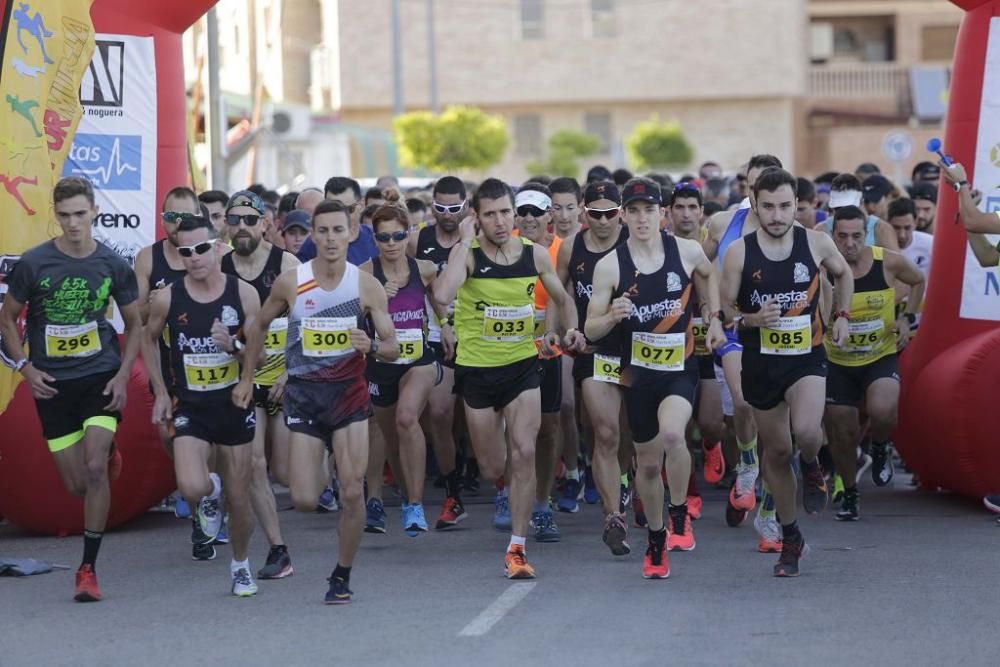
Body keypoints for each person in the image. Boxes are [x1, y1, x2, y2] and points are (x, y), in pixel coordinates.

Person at [233, 199, 399, 604]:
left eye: (337, 231)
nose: (330, 239)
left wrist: (373, 346)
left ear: (351, 233)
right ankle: (324, 458)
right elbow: (257, 325)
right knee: (304, 497)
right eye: (321, 231)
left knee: (351, 493)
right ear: (313, 235)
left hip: (348, 397)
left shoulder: (365, 285)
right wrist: (248, 376)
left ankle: (341, 575)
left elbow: (394, 345)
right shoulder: (293, 281)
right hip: (305, 397)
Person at [0, 176, 141, 602]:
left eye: (80, 214)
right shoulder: (34, 263)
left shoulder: (114, 264)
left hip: (99, 374)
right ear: (55, 216)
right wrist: (25, 368)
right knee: (77, 485)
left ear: (95, 211)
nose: (73, 223)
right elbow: (7, 318)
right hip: (53, 383)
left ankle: (87, 569)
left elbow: (135, 322)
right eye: (64, 216)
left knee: (95, 469)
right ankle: (108, 455)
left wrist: (121, 375)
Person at [434, 178, 583, 579]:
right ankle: (506, 481)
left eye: (505, 212)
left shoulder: (535, 255)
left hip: (522, 366)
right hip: (478, 373)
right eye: (490, 214)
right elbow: (443, 295)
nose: (500, 221)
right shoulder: (468, 254)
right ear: (476, 218)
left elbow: (563, 297)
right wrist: (463, 243)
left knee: (524, 451)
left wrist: (570, 330)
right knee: (492, 465)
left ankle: (517, 547)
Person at [587, 176, 726, 579]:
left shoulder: (685, 251)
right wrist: (612, 315)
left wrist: (713, 317)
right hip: (636, 373)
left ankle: (679, 511)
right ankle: (655, 535)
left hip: (678, 368)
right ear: (624, 216)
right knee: (647, 464)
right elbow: (591, 328)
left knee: (672, 435)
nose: (643, 218)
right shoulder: (611, 265)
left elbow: (707, 274)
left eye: (650, 210)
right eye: (635, 211)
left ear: (661, 214)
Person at [721, 166, 854, 577]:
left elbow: (844, 273)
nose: (777, 216)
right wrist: (750, 320)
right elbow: (726, 313)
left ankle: (813, 463)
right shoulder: (739, 252)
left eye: (784, 206)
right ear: (755, 207)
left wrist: (843, 315)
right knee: (776, 452)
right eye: (768, 208)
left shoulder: (815, 242)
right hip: (761, 363)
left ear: (798, 204)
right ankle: (790, 537)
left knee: (808, 430)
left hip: (806, 357)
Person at [143, 214, 262, 596]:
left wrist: (236, 354)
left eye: (200, 249)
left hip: (233, 403)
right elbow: (146, 339)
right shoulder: (166, 297)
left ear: (216, 247)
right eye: (184, 251)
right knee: (191, 486)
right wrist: (161, 391)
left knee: (241, 497)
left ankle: (241, 565)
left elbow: (257, 353)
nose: (193, 258)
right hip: (190, 405)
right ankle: (210, 494)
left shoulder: (243, 293)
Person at [823, 205, 924, 520]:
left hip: (879, 355)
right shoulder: (821, 268)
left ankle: (880, 447)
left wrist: (907, 318)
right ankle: (851, 492)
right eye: (842, 236)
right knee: (843, 432)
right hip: (836, 361)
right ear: (832, 236)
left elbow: (918, 280)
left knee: (883, 411)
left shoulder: (886, 261)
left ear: (865, 233)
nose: (849, 244)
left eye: (856, 236)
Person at [220, 190, 299, 579]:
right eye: (235, 220)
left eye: (250, 220)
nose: (243, 227)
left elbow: (309, 323)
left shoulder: (286, 263)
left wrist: (292, 371)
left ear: (266, 223)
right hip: (243, 382)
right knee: (255, 466)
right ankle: (278, 549)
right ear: (225, 225)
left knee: (286, 475)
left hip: (285, 379)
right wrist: (237, 350)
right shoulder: (218, 269)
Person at [361, 193, 445, 536]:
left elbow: (438, 302)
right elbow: (352, 318)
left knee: (407, 417)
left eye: (398, 236)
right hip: (381, 360)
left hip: (419, 359)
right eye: (383, 237)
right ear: (374, 237)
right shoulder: (366, 273)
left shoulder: (423, 268)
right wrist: (378, 300)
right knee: (390, 435)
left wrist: (448, 329)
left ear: (409, 234)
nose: (391, 243)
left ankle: (414, 504)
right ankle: (388, 494)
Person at [556, 179, 631, 554]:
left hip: (637, 351)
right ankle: (612, 514)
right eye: (595, 213)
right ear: (584, 211)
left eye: (611, 213)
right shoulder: (571, 247)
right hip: (594, 349)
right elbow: (563, 295)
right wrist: (568, 329)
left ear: (621, 212)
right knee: (605, 432)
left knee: (631, 435)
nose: (603, 221)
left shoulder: (636, 242)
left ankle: (626, 476)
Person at [407, 175, 467, 528]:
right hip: (435, 335)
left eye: (455, 208)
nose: (448, 215)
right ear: (433, 207)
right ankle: (453, 493)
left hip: (477, 336)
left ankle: (503, 487)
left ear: (466, 205)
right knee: (441, 414)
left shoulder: (477, 240)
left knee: (488, 420)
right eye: (441, 208)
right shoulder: (419, 240)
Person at [513, 183, 565, 540]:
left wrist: (553, 332)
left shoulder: (562, 250)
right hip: (506, 351)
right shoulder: (500, 247)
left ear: (550, 216)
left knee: (547, 432)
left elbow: (564, 298)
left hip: (547, 351)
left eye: (537, 212)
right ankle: (509, 494)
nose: (529, 219)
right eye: (523, 212)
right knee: (513, 432)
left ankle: (543, 503)